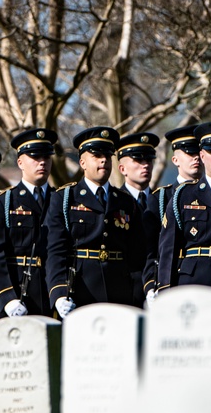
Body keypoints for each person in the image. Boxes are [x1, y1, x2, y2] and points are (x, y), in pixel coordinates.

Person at [46, 127, 147, 315]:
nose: (104, 160)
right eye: (97, 155)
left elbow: (138, 253)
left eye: (108, 156)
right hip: (81, 289)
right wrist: (59, 292)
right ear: (82, 162)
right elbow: (56, 250)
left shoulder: (125, 201)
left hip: (120, 290)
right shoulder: (66, 198)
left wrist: (139, 291)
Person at [0, 129, 58, 320]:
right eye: (35, 157)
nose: (42, 162)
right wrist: (7, 297)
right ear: (20, 163)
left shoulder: (60, 200)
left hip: (50, 296)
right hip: (16, 294)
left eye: (46, 157)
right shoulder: (4, 201)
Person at [156, 122, 211, 290]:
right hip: (194, 281)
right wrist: (164, 288)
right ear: (202, 155)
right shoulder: (183, 195)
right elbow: (168, 248)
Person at [143, 125, 202, 294]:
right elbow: (151, 251)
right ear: (175, 160)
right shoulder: (160, 198)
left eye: (198, 152)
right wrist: (150, 285)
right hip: (171, 279)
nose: (196, 158)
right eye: (190, 153)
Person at [117, 131, 158, 304]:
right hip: (124, 286)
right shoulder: (114, 201)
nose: (145, 165)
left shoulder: (162, 200)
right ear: (122, 169)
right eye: (138, 160)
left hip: (157, 285)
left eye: (148, 160)